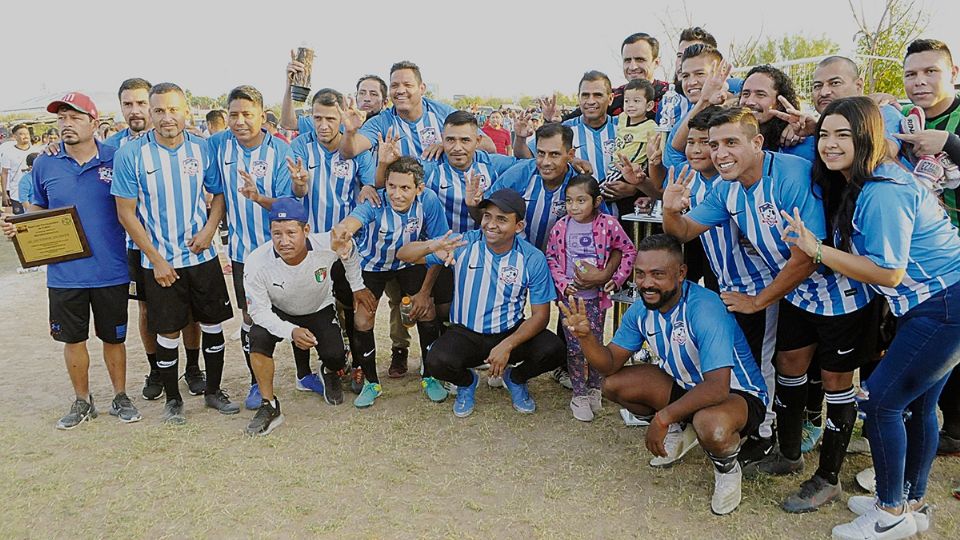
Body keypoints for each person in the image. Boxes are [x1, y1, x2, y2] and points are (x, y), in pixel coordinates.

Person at [663, 106, 878, 513]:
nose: (720, 152)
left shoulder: (792, 174)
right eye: (714, 145)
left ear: (757, 142)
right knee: (789, 367)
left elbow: (807, 255)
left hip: (840, 293)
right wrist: (671, 210)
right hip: (796, 295)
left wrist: (759, 300)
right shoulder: (725, 189)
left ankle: (827, 478)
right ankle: (789, 452)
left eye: (731, 143)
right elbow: (685, 231)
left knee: (835, 382)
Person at [780, 96, 960, 539]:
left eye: (844, 134)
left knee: (881, 402)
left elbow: (889, 271)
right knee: (919, 405)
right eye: (825, 134)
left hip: (942, 305)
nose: (830, 143)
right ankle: (910, 500)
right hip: (936, 302)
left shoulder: (882, 191)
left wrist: (817, 249)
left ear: (869, 137)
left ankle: (889, 513)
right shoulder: (875, 178)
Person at [561, 234, 768, 515]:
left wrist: (663, 416)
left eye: (657, 274)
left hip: (736, 395)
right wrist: (585, 337)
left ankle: (727, 469)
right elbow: (608, 364)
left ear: (681, 273)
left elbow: (718, 388)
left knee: (711, 424)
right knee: (613, 385)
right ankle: (682, 427)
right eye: (640, 274)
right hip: (687, 385)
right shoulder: (641, 309)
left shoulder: (705, 308)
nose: (646, 283)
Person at [639, 106, 779, 451]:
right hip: (723, 286)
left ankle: (763, 432)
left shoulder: (731, 182)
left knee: (760, 361)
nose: (702, 150)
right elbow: (680, 234)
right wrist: (670, 208)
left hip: (758, 287)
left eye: (710, 143)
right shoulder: (691, 179)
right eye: (697, 143)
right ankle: (717, 418)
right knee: (725, 358)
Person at [1, 93, 139, 429]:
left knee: (114, 338)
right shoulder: (45, 163)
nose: (66, 124)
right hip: (65, 274)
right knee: (72, 339)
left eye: (75, 118)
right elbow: (36, 208)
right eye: (61, 118)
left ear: (94, 122)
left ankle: (120, 396)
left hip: (110, 269)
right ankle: (83, 400)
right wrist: (19, 226)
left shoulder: (116, 158)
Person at [112, 82, 236, 424]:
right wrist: (156, 260)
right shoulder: (131, 154)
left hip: (202, 258)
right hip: (162, 261)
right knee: (166, 331)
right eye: (159, 111)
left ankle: (212, 391)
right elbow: (126, 213)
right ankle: (173, 399)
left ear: (186, 111)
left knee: (212, 325)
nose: (167, 117)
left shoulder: (202, 149)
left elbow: (218, 195)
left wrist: (210, 229)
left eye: (174, 110)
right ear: (150, 114)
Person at [397, 188, 566, 417]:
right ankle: (467, 382)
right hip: (466, 333)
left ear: (519, 227)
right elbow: (403, 254)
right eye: (487, 216)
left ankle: (515, 378)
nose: (491, 224)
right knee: (435, 362)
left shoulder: (532, 258)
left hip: (509, 332)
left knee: (553, 349)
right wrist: (432, 246)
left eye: (502, 219)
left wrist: (507, 345)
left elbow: (541, 316)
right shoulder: (465, 243)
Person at [243, 198, 374, 435]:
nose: (284, 241)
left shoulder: (327, 243)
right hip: (279, 311)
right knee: (258, 337)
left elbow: (350, 250)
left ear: (306, 230)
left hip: (318, 307)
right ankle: (269, 405)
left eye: (291, 233)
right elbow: (258, 311)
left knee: (335, 357)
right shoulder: (256, 262)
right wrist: (290, 331)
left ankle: (328, 371)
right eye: (277, 234)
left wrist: (357, 285)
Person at [331, 156, 450, 408]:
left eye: (405, 188)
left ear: (419, 188)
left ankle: (429, 376)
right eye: (392, 186)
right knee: (363, 317)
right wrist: (343, 231)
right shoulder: (375, 201)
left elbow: (439, 250)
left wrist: (425, 291)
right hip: (372, 265)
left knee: (426, 311)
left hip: (409, 263)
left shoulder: (428, 201)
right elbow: (352, 222)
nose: (396, 194)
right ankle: (371, 382)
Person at [207, 85, 297, 410]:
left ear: (262, 115)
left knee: (296, 310)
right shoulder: (218, 145)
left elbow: (288, 204)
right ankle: (256, 382)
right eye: (233, 114)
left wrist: (260, 197)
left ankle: (310, 371)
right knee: (251, 317)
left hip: (280, 252)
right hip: (243, 255)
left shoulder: (281, 151)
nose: (240, 121)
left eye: (247, 114)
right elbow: (185, 148)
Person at [287, 88, 380, 391]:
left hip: (346, 245)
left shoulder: (356, 148)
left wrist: (351, 224)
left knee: (350, 303)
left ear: (342, 116)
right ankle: (321, 367)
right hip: (310, 246)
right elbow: (296, 194)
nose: (323, 125)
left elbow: (370, 193)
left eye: (330, 118)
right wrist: (300, 187)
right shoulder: (302, 145)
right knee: (307, 304)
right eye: (317, 118)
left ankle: (355, 362)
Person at [895, 39, 960, 458]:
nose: (919, 82)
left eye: (930, 72)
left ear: (953, 74)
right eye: (911, 74)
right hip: (920, 257)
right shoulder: (903, 118)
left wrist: (950, 145)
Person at [545, 174, 636, 421]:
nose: (574, 207)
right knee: (575, 348)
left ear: (596, 201)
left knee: (595, 344)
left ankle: (595, 388)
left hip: (596, 299)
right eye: (569, 201)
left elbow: (628, 250)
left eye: (581, 200)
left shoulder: (609, 224)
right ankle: (579, 394)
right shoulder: (561, 226)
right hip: (571, 299)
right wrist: (563, 284)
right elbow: (551, 257)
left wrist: (615, 280)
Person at [338, 60, 496, 160]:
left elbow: (489, 146)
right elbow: (348, 152)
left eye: (407, 85)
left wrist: (448, 145)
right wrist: (350, 132)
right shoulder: (381, 122)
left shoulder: (443, 113)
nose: (400, 90)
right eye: (394, 85)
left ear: (422, 88)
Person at [564, 32, 669, 121]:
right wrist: (553, 118)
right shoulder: (614, 96)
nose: (632, 67)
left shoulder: (670, 95)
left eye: (640, 59)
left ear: (656, 62)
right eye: (627, 60)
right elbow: (579, 115)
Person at [739, 65, 816, 161]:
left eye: (760, 95)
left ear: (779, 104)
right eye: (745, 94)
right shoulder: (729, 138)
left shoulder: (802, 147)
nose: (749, 102)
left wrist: (815, 130)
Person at [614, 79, 657, 172]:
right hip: (615, 164)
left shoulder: (651, 127)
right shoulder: (622, 118)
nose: (630, 105)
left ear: (649, 105)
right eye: (626, 101)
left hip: (634, 169)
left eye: (636, 101)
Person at [1, 123, 37, 208]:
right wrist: (4, 194)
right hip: (16, 194)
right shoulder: (8, 153)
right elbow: (4, 174)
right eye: (21, 134)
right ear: (15, 136)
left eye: (27, 133)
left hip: (35, 194)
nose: (25, 136)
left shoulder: (36, 151)